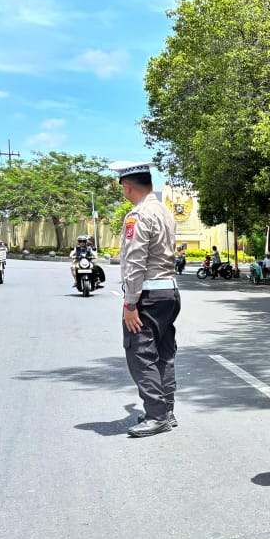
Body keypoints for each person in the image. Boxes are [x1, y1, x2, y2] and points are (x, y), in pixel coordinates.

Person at [109, 160, 180, 438]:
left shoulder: (138, 216)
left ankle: (156, 415)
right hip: (169, 292)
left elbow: (136, 261)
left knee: (141, 354)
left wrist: (130, 303)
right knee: (164, 354)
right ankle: (166, 411)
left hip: (147, 295)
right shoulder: (164, 211)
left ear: (127, 187)